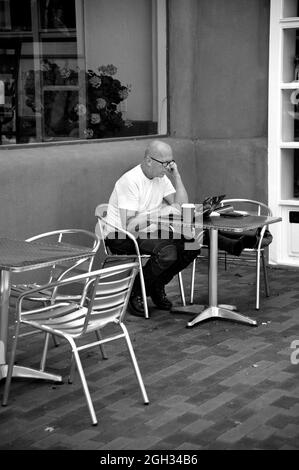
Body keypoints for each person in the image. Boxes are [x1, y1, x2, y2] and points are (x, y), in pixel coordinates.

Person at [104, 140, 202, 316]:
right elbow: (131, 225)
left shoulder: (161, 178)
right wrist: (160, 213)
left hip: (148, 230)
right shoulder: (130, 181)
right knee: (167, 251)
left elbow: (181, 206)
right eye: (165, 163)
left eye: (171, 163)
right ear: (149, 160)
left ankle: (156, 285)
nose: (168, 167)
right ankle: (135, 292)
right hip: (120, 234)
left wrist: (177, 176)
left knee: (191, 246)